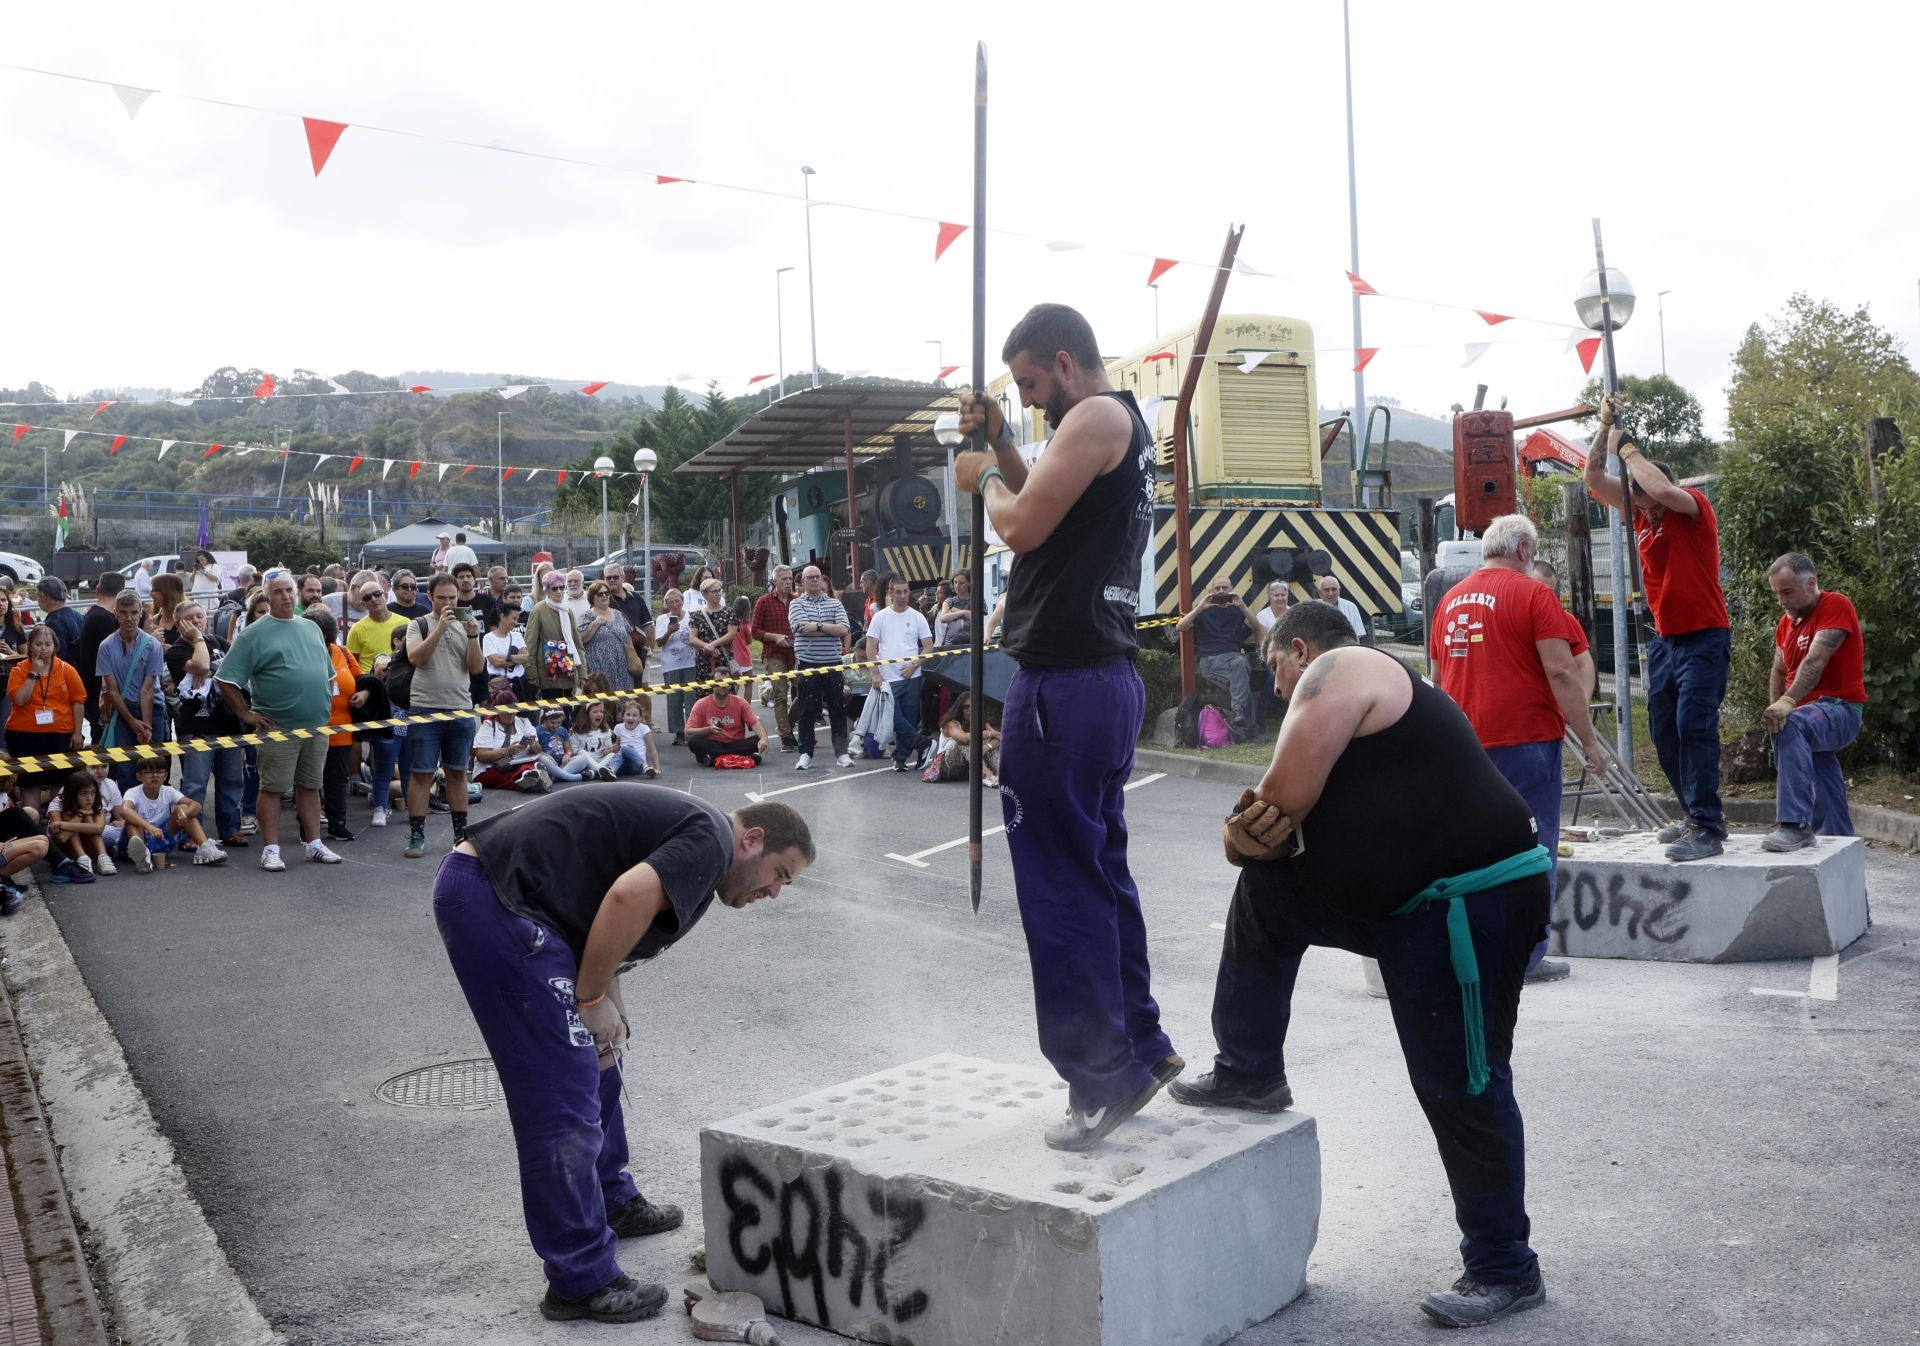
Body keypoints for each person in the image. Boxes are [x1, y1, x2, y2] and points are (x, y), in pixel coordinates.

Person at [1174, 601, 1551, 1329]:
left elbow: (1278, 801)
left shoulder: (1343, 667)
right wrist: (1259, 843)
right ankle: (1249, 1070)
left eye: (1274, 668)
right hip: (1402, 905)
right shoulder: (1346, 691)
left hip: (1467, 907)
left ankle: (1505, 1264)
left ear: (1300, 646)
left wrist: (1252, 828)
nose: (1279, 688)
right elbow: (1276, 840)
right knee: (1268, 895)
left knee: (1458, 1079)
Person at [433, 792, 812, 1324]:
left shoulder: (702, 840)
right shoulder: (711, 840)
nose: (774, 892)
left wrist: (608, 1005)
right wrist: (588, 999)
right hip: (498, 901)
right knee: (560, 1093)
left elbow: (600, 910)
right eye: (780, 874)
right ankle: (580, 1280)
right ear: (752, 840)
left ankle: (611, 1197)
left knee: (602, 1055)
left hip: (525, 903)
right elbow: (627, 897)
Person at [954, 301, 1181, 1149]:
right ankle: (1142, 1048)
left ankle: (1100, 1078)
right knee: (1100, 870)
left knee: (1060, 885)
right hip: (1099, 679)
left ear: (1063, 360)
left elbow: (1021, 523)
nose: (1032, 400)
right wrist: (1006, 443)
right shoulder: (1110, 423)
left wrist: (981, 476)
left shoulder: (1091, 415)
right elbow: (1048, 504)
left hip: (1063, 685)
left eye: (1029, 385)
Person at [1431, 515, 1607, 984]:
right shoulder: (1534, 595)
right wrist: (1588, 740)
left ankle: (1470, 950)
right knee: (1533, 847)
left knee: (1471, 849)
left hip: (1464, 745)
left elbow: (1436, 678)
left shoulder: (1449, 600)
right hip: (1524, 742)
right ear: (1526, 550)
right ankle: (1526, 957)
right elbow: (1563, 672)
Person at [1585, 395, 1730, 861]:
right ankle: (1693, 817)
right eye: (1637, 503)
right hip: (1666, 640)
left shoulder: (1692, 509)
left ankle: (1708, 827)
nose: (1642, 508)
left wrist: (1627, 449)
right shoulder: (1644, 516)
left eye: (1642, 498)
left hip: (1704, 636)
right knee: (1665, 730)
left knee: (1695, 726)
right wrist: (1603, 430)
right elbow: (1592, 478)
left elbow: (1663, 491)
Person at [216, 571, 343, 871]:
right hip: (277, 727)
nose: (286, 596)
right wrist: (245, 713)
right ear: (267, 596)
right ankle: (271, 849)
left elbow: (327, 675)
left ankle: (313, 844)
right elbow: (225, 679)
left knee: (310, 786)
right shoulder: (253, 633)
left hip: (315, 725)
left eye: (289, 590)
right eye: (278, 592)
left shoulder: (311, 628)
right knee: (272, 788)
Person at [1762, 552, 1867, 850]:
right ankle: (1842, 848)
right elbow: (1779, 670)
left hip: (1840, 709)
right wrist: (1775, 711)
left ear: (1811, 583)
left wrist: (1787, 704)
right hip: (1809, 717)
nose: (1782, 600)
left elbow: (1816, 660)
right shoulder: (1785, 624)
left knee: (1792, 724)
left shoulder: (1834, 605)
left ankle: (1794, 825)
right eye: (1777, 593)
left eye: (1788, 591)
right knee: (1831, 810)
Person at [402, 573, 483, 859]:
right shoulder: (419, 624)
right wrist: (440, 629)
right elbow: (416, 659)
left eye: (453, 597)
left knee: (458, 773)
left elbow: (475, 668)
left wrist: (472, 635)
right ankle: (416, 834)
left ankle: (461, 833)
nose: (448, 602)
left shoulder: (466, 625)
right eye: (442, 598)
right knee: (422, 774)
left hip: (461, 707)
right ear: (430, 597)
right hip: (425, 708)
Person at [166, 601, 247, 851]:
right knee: (195, 784)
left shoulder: (221, 643)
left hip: (229, 724)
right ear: (180, 622)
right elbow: (200, 666)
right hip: (197, 727)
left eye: (200, 616)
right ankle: (192, 834)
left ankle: (231, 829)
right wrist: (199, 644)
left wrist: (213, 672)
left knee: (232, 780)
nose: (197, 620)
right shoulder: (177, 650)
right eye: (190, 617)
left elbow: (236, 672)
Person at [6, 625, 86, 810]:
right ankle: (33, 822)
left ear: (55, 646)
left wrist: (77, 733)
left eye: (48, 644)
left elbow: (78, 701)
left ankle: (57, 820)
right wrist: (33, 672)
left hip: (59, 733)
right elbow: (20, 699)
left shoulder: (67, 670)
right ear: (30, 646)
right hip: (24, 734)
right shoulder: (18, 670)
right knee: (29, 781)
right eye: (38, 644)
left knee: (60, 780)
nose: (43, 648)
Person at [303, 607, 364, 844]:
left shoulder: (342, 652)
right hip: (310, 728)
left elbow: (362, 679)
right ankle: (306, 830)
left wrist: (366, 693)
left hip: (341, 730)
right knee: (309, 781)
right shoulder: (300, 654)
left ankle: (338, 824)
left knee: (337, 779)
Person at [1176, 575, 1261, 740]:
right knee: (1241, 670)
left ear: (1231, 589)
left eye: (1225, 588)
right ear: (1211, 591)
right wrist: (1200, 607)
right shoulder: (1203, 610)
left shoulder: (1238, 610)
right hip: (1210, 661)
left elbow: (1257, 627)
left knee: (1241, 683)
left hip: (1233, 659)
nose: (1221, 591)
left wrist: (1242, 605)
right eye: (1217, 588)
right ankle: (1248, 726)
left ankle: (1245, 729)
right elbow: (1181, 627)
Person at [95, 589, 166, 789]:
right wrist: (133, 722)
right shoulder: (106, 646)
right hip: (122, 709)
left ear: (141, 612)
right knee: (126, 769)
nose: (129, 618)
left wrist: (146, 726)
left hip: (151, 708)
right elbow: (112, 690)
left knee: (152, 767)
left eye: (134, 613)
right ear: (116, 613)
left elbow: (147, 689)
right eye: (124, 612)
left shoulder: (152, 645)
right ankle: (129, 817)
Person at [864, 574, 933, 772]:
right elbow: (871, 647)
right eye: (898, 592)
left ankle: (901, 758)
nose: (902, 595)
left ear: (909, 591)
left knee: (909, 718)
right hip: (888, 677)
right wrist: (875, 673)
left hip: (913, 676)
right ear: (890, 593)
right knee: (893, 717)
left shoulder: (917, 616)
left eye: (905, 591)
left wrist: (914, 665)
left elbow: (928, 646)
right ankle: (923, 744)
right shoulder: (880, 617)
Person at [787, 565, 853, 771]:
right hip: (808, 662)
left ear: (823, 581)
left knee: (837, 708)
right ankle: (805, 753)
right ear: (803, 582)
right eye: (810, 578)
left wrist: (816, 626)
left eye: (818, 577)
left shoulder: (835, 603)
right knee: (808, 708)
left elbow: (844, 629)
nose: (815, 581)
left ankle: (842, 752)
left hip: (833, 662)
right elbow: (799, 629)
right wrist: (828, 629)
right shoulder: (796, 604)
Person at [117, 755, 227, 871]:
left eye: (159, 772)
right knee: (132, 821)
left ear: (165, 776)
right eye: (149, 772)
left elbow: (197, 805)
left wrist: (185, 815)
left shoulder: (168, 791)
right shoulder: (133, 792)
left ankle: (205, 848)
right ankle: (143, 857)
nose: (155, 776)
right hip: (136, 841)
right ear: (139, 776)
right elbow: (124, 811)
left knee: (183, 808)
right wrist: (149, 827)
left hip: (162, 839)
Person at [749, 567, 797, 752]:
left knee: (806, 690)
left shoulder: (797, 601)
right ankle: (786, 738)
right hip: (774, 653)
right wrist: (774, 637)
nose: (788, 582)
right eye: (784, 579)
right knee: (780, 694)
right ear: (774, 581)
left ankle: (788, 725)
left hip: (795, 653)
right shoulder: (764, 602)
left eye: (790, 578)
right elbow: (755, 631)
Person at [75, 571, 124, 745]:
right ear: (121, 593)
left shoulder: (92, 616)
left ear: (97, 589)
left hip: (93, 692)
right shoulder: (105, 620)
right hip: (102, 696)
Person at [524, 570, 585, 704]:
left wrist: (582, 674)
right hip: (547, 673)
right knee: (552, 716)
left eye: (561, 587)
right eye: (554, 588)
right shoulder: (538, 610)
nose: (559, 591)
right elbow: (530, 644)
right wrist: (532, 674)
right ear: (547, 591)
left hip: (569, 671)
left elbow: (577, 643)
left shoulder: (567, 610)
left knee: (568, 715)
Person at [473, 694, 551, 792]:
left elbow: (537, 750)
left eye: (514, 711)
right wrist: (508, 750)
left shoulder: (523, 722)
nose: (512, 715)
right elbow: (481, 756)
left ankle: (531, 778)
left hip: (518, 764)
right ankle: (531, 777)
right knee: (523, 771)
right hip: (491, 768)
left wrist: (532, 744)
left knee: (531, 765)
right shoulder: (489, 725)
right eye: (507, 712)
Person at [46, 770, 112, 879]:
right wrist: (80, 815)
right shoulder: (58, 802)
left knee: (88, 816)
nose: (89, 798)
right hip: (63, 850)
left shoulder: (99, 801)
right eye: (83, 793)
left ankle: (103, 856)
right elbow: (61, 837)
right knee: (70, 814)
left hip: (89, 844)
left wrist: (62, 824)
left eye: (93, 793)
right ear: (73, 793)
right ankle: (82, 857)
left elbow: (99, 828)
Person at [651, 590, 698, 743]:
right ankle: (678, 732)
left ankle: (691, 729)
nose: (674, 604)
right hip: (670, 664)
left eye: (676, 601)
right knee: (674, 698)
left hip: (690, 661)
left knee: (691, 696)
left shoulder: (691, 617)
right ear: (666, 604)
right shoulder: (662, 619)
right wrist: (669, 632)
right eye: (670, 602)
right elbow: (659, 643)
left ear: (682, 601)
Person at [923, 691, 998, 785]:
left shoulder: (981, 721)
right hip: (946, 768)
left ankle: (1001, 774)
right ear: (959, 709)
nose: (970, 709)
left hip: (967, 769)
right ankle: (987, 775)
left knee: (988, 744)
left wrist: (987, 746)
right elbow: (963, 738)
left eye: (973, 705)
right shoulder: (950, 722)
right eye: (966, 707)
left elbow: (999, 737)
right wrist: (988, 733)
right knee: (966, 741)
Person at [684, 683, 767, 767]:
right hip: (713, 744)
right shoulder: (701, 703)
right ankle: (739, 757)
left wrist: (764, 739)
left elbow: (755, 724)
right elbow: (688, 732)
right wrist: (709, 729)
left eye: (725, 683)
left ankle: (714, 758)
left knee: (759, 738)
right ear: (712, 685)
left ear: (730, 686)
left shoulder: (740, 702)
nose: (722, 686)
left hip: (736, 744)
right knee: (693, 740)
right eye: (719, 683)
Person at [346, 579, 409, 684]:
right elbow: (352, 664)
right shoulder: (356, 629)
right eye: (367, 597)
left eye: (377, 594)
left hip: (400, 680)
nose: (373, 599)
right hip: (371, 684)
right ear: (363, 604)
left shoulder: (405, 622)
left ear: (385, 596)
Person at [580, 583, 636, 692]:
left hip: (622, 670)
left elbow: (628, 636)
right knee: (603, 704)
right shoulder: (586, 616)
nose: (604, 596)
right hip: (599, 670)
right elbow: (581, 639)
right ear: (592, 597)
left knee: (624, 704)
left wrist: (632, 655)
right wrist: (595, 623)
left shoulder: (618, 614)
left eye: (606, 593)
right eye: (600, 594)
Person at [1252, 580, 1291, 733]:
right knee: (1272, 678)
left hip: (1292, 658)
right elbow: (1263, 645)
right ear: (1270, 597)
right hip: (1270, 658)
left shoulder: (1294, 613)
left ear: (1287, 595)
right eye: (1276, 595)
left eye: (1283, 594)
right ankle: (1259, 720)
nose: (1280, 598)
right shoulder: (1263, 616)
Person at [535, 706, 612, 783]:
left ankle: (555, 776)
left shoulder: (562, 730)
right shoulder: (538, 730)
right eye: (552, 722)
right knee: (541, 758)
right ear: (545, 719)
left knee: (583, 758)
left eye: (558, 722)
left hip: (563, 764)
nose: (555, 725)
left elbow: (569, 749)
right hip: (549, 764)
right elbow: (536, 751)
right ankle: (573, 777)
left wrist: (567, 754)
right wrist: (546, 755)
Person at [34, 576, 85, 662]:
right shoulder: (77, 615)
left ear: (42, 596)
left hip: (66, 673)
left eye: (37, 595)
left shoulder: (53, 623)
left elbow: (57, 660)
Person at [482, 604, 528, 695]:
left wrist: (506, 657)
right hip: (499, 685)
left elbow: (526, 658)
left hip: (519, 683)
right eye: (514, 618)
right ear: (502, 616)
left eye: (517, 619)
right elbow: (496, 663)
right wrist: (518, 658)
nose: (516, 622)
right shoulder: (488, 638)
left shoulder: (517, 636)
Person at [612, 699, 658, 778]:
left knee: (625, 748)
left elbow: (653, 750)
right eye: (628, 714)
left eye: (634, 715)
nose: (631, 718)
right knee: (618, 755)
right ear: (623, 716)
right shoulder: (619, 728)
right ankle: (611, 770)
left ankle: (645, 766)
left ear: (640, 717)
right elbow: (618, 745)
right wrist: (610, 748)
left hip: (637, 766)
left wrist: (657, 768)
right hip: (623, 766)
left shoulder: (643, 729)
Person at [1316, 574, 1366, 639]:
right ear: (1320, 592)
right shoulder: (1312, 609)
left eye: (1334, 589)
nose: (1331, 593)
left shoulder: (1351, 607)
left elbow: (1358, 635)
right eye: (1326, 590)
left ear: (1339, 590)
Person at [935, 571, 973, 647]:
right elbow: (943, 618)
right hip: (950, 644)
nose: (957, 586)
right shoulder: (949, 601)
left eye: (961, 583)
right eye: (955, 582)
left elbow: (976, 618)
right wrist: (963, 613)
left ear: (969, 583)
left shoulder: (976, 600)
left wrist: (957, 612)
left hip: (972, 643)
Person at [0, 587, 27, 656]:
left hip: (12, 666)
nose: (1, 604)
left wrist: (11, 653)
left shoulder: (17, 628)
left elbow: (25, 658)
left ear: (8, 602)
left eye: (3, 600)